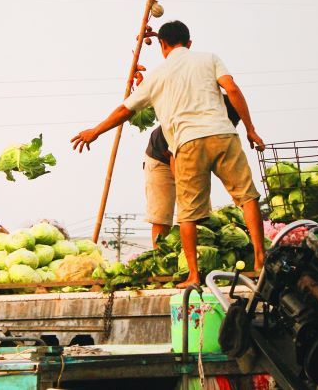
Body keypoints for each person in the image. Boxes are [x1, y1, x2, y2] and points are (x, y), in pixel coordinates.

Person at [71, 20, 266, 288]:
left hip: (187, 142)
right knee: (247, 196)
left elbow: (125, 110)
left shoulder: (157, 76)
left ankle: (194, 276)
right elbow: (231, 90)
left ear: (162, 46)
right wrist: (251, 130)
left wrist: (96, 131)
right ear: (189, 43)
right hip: (223, 134)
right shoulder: (209, 58)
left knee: (187, 213)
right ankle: (260, 260)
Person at [146, 96, 241, 247]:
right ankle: (160, 257)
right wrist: (186, 192)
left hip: (191, 161)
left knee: (202, 215)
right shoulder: (189, 123)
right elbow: (174, 161)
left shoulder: (220, 132)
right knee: (162, 216)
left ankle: (199, 255)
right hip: (161, 159)